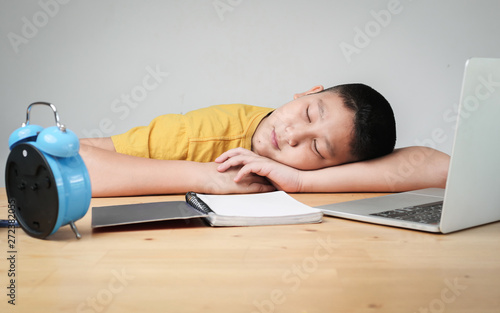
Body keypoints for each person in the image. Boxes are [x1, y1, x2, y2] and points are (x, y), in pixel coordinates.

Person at [80, 84, 450, 197]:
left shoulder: (306, 173)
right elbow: (70, 160)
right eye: (307, 114)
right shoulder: (209, 134)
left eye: (318, 149)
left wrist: (304, 181)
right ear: (305, 93)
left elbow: (435, 165)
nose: (291, 135)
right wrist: (206, 176)